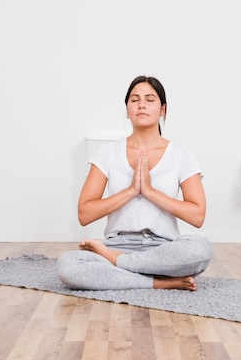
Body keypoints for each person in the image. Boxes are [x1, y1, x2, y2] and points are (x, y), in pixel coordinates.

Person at [56, 75, 212, 291]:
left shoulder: (181, 155)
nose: (141, 105)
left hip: (163, 249)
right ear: (127, 109)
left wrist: (149, 191)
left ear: (163, 109)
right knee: (68, 265)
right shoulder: (108, 153)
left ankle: (119, 264)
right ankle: (157, 282)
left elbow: (197, 216)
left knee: (200, 249)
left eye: (150, 99)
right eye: (134, 99)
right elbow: (85, 213)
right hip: (116, 244)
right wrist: (131, 191)